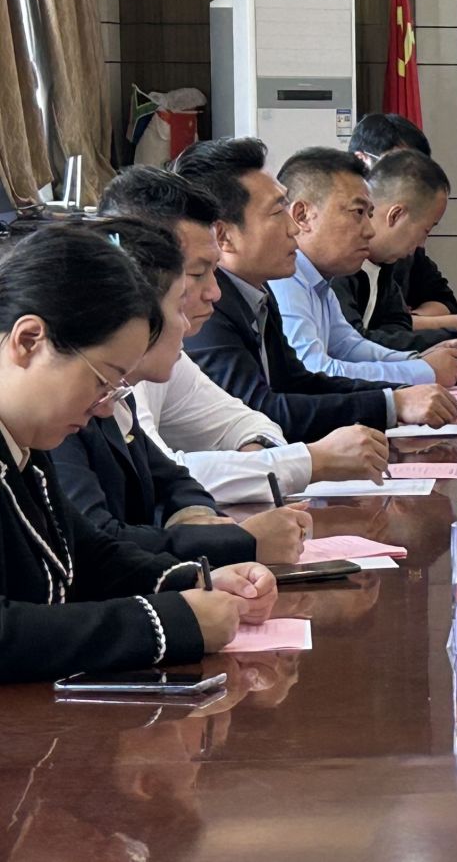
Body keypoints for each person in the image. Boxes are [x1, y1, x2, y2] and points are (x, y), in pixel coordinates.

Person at [0, 225, 275, 681]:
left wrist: (193, 580)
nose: (106, 406)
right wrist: (166, 623)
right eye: (102, 380)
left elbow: (86, 554)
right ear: (29, 341)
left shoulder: (27, 440)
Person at [98, 165, 390, 503]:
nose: (214, 291)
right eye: (196, 273)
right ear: (139, 271)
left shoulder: (168, 352)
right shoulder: (105, 366)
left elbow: (249, 422)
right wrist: (310, 461)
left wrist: (258, 458)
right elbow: (157, 477)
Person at [51, 219, 310, 567]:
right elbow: (96, 544)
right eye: (178, 306)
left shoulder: (114, 395)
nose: (186, 325)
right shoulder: (68, 412)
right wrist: (236, 542)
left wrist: (196, 517)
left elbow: (174, 478)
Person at [176, 138, 457, 438]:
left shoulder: (257, 294)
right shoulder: (208, 304)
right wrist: (393, 402)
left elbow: (300, 382)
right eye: (277, 213)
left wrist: (398, 396)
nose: (292, 228)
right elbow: (259, 410)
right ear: (224, 236)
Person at [270, 147, 457, 387]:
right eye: (358, 212)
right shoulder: (284, 279)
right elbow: (315, 371)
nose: (370, 230)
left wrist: (417, 360)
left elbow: (349, 346)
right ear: (303, 216)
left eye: (369, 214)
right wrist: (423, 370)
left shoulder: (318, 280)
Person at [349, 113, 457, 335]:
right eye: (399, 166)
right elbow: (356, 339)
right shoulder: (342, 254)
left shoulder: (392, 254)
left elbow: (440, 301)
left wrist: (407, 323)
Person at [337, 150, 457, 359]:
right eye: (425, 230)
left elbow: (396, 330)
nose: (422, 244)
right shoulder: (338, 266)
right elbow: (352, 345)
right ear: (396, 215)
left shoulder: (385, 265)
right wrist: (455, 339)